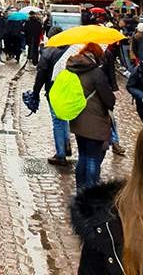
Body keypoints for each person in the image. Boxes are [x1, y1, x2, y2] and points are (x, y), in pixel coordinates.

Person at [71, 128, 143, 275]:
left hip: (88, 128)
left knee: (86, 157)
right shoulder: (106, 229)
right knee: (89, 158)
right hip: (93, 128)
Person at [66, 43, 116, 190]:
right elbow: (109, 100)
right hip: (95, 122)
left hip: (78, 119)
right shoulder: (96, 73)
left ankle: (80, 190)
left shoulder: (72, 69)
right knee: (93, 158)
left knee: (83, 156)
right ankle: (90, 193)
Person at [31, 26, 72, 166]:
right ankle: (66, 145)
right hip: (68, 90)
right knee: (64, 118)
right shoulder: (70, 51)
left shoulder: (48, 52)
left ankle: (60, 154)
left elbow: (41, 74)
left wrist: (35, 92)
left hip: (54, 90)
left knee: (57, 121)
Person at [102, 42, 126, 156]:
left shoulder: (108, 54)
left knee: (110, 117)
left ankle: (115, 142)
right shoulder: (86, 55)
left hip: (105, 90)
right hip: (91, 92)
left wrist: (114, 88)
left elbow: (111, 73)